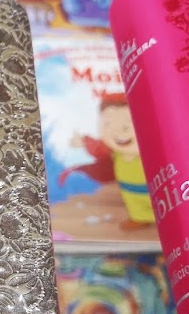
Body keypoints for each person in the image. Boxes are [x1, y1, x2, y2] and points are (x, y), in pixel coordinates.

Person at [60, 93, 154, 229]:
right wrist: (83, 141)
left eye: (128, 125)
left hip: (152, 188)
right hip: (128, 189)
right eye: (108, 124)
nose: (119, 132)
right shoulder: (113, 152)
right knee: (134, 204)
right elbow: (97, 148)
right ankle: (140, 217)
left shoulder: (150, 151)